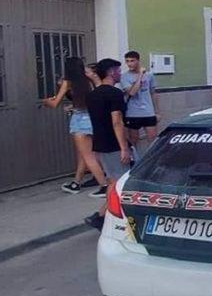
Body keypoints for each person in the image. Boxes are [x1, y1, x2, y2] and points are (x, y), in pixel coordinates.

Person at [42, 57, 108, 196]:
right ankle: (76, 183)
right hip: (93, 119)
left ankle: (104, 186)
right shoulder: (89, 80)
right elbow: (93, 99)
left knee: (88, 156)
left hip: (79, 121)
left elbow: (55, 103)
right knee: (83, 154)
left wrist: (46, 101)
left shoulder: (68, 82)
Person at [84, 58, 131, 230]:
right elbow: (117, 121)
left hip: (100, 143)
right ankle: (101, 215)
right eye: (118, 70)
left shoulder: (92, 95)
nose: (120, 73)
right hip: (113, 144)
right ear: (111, 72)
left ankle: (103, 216)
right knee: (120, 182)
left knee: (113, 180)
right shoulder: (115, 94)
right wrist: (124, 147)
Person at [121, 51, 160, 152]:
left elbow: (153, 93)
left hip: (148, 112)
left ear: (138, 61)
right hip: (132, 113)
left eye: (132, 61)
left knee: (153, 138)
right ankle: (134, 158)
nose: (129, 64)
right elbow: (132, 92)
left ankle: (152, 158)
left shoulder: (150, 75)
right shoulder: (124, 76)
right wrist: (140, 76)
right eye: (127, 61)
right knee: (133, 139)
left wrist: (157, 112)